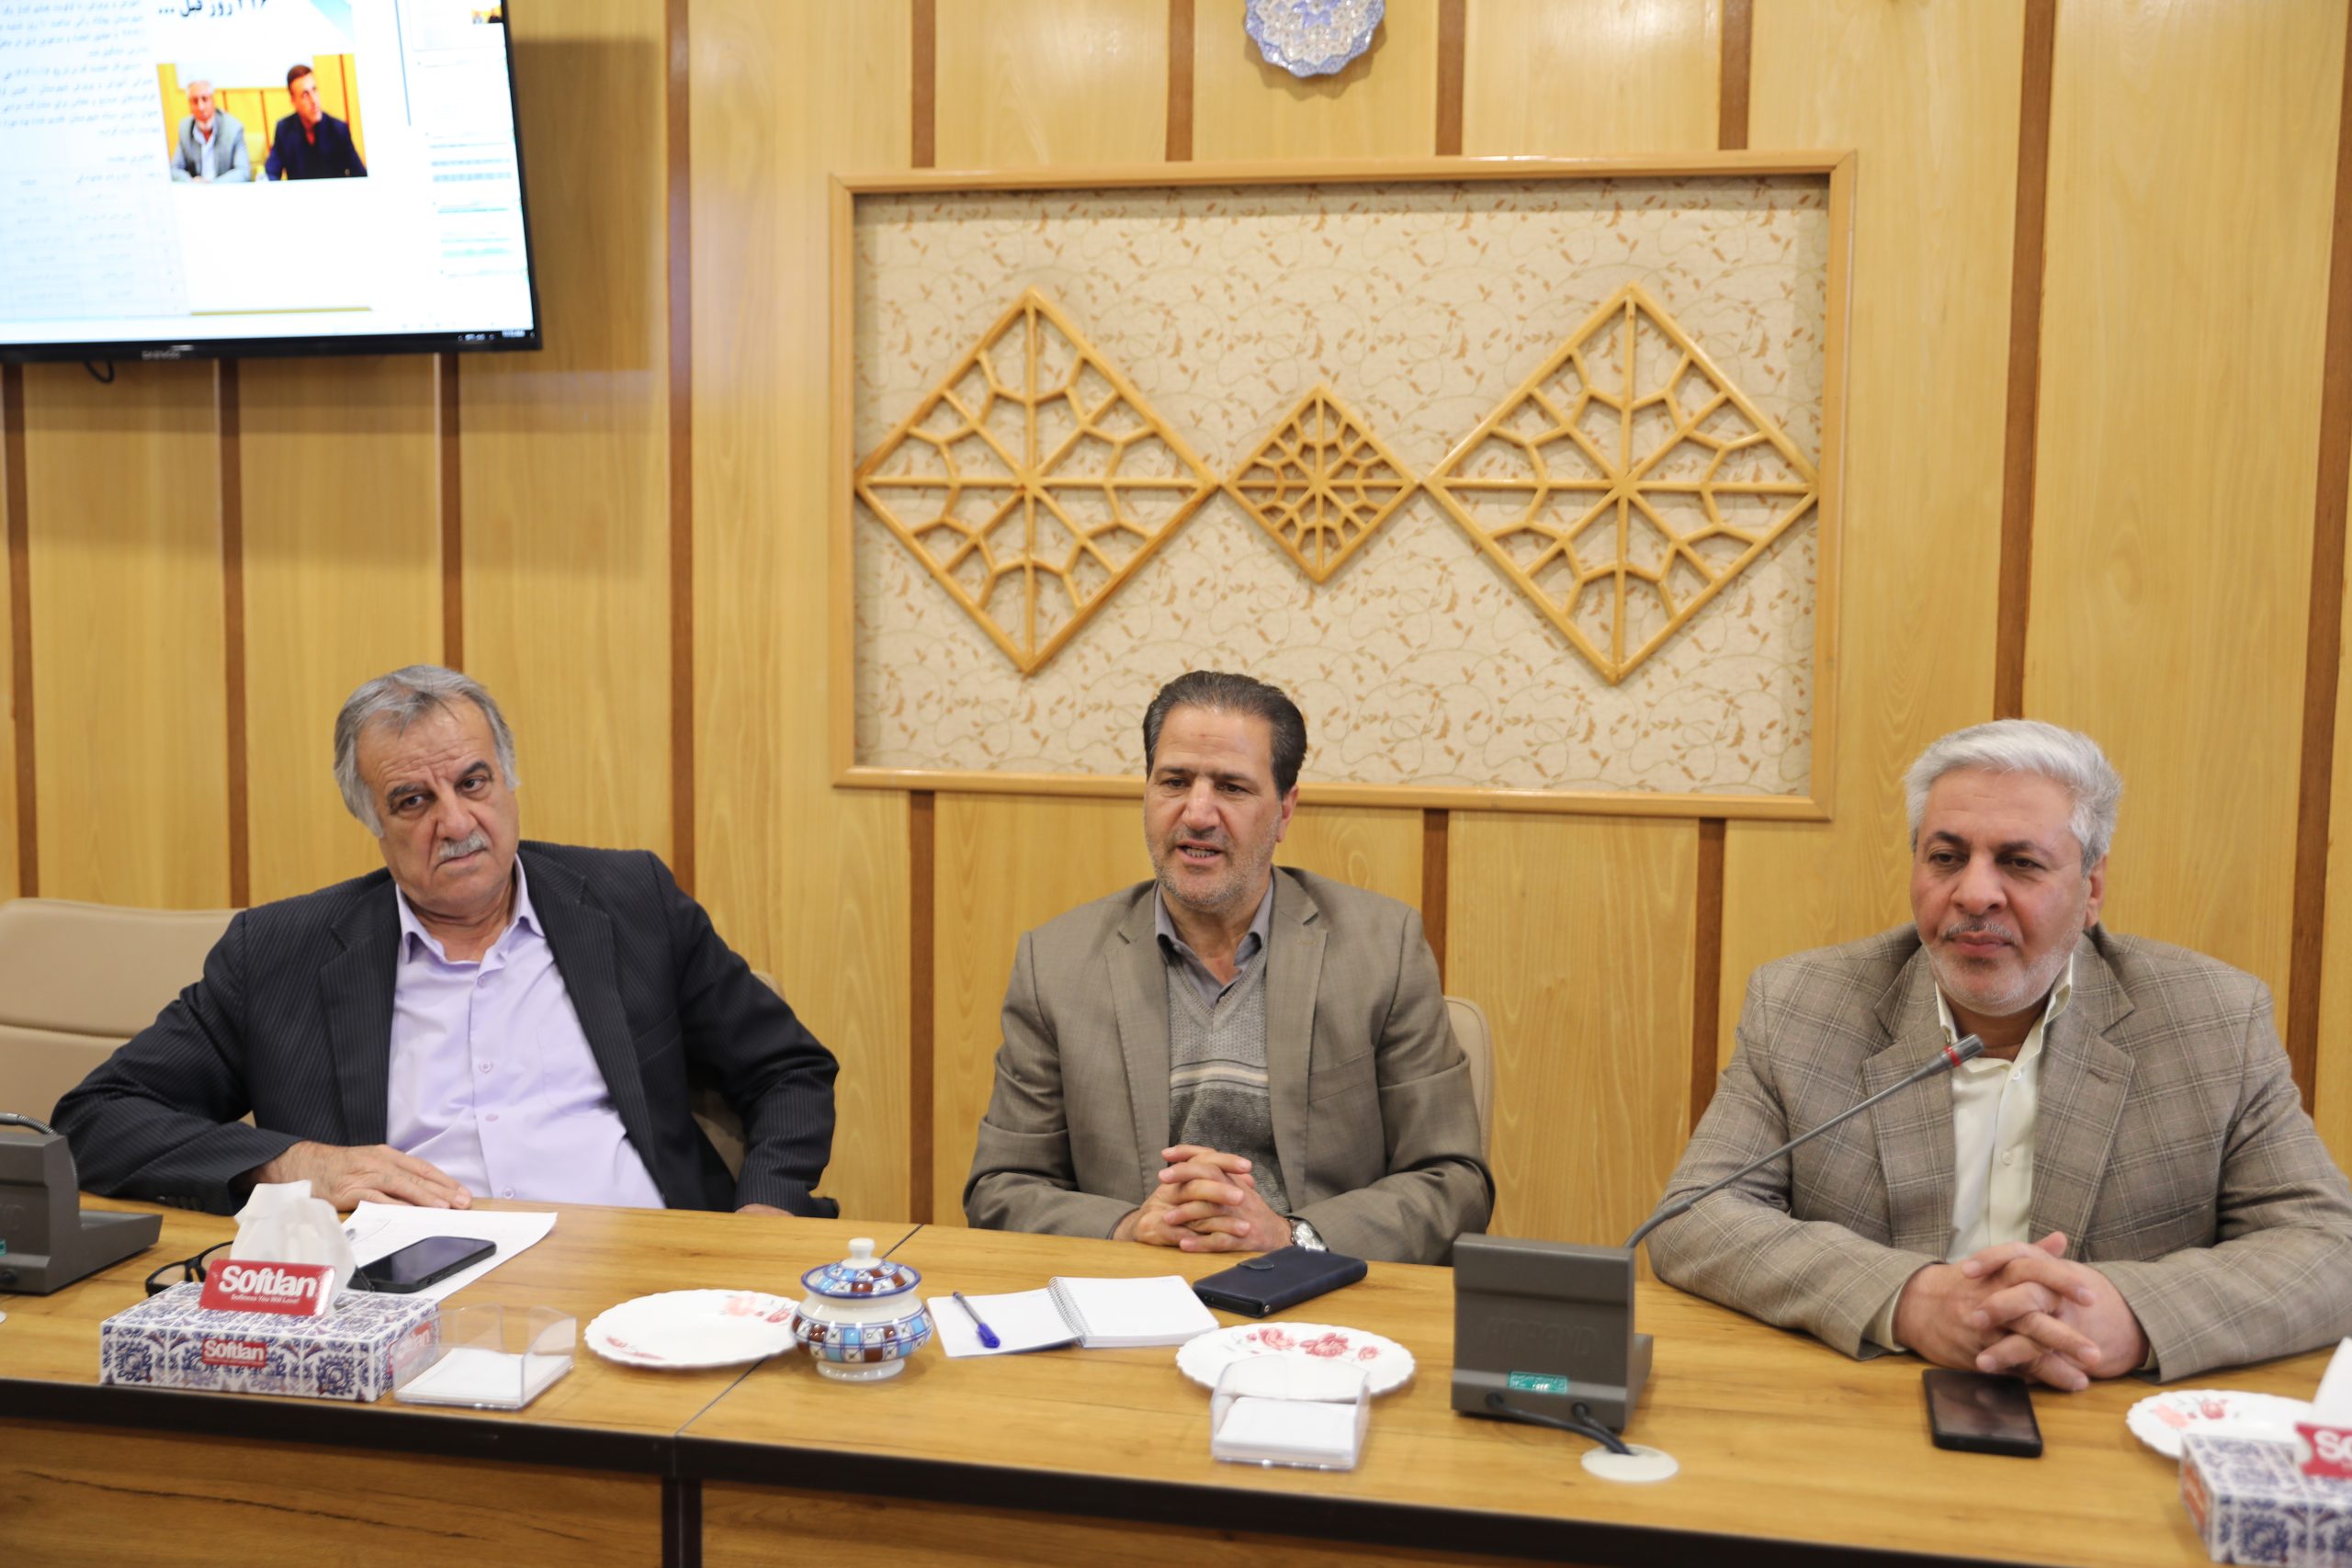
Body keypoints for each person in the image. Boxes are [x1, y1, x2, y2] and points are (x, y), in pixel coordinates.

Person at [1649, 719, 2352, 1385]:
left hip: (2102, 1422)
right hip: (1864, 1407)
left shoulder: (2213, 1019)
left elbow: (2329, 1246)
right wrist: (1908, 1298)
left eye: (2020, 862)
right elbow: (1694, 1218)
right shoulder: (1802, 1005)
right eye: (1947, 857)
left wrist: (2130, 1316)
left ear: (2091, 890)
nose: (1976, 892)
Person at [53, 665, 838, 1217]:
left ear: (508, 780)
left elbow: (788, 1069)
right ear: (373, 820)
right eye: (412, 800)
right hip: (400, 1299)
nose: (456, 822)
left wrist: (763, 1215)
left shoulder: (631, 901)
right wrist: (292, 1164)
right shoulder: (280, 955)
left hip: (644, 1277)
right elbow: (98, 1116)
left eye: (472, 782)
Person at [964, 671, 1491, 1265]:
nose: (1197, 813)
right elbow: (1001, 1187)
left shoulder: (1381, 950)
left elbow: (1455, 1181)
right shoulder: (1055, 963)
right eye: (1174, 781)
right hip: (1133, 1293)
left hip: (1312, 1294)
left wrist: (1292, 1237)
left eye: (1232, 787)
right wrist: (1128, 1227)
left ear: (1285, 810)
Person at [265, 63, 367, 180]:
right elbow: (271, 172)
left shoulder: (338, 130)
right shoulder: (284, 129)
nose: (314, 101)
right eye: (305, 94)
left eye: (314, 90)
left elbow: (360, 176)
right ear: (293, 101)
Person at [170, 80, 249, 184]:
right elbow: (174, 169)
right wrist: (190, 181)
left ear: (213, 101)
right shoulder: (185, 128)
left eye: (204, 99)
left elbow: (243, 172)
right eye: (195, 101)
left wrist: (212, 184)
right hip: (196, 190)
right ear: (190, 105)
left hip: (223, 189)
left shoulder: (233, 128)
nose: (201, 107)